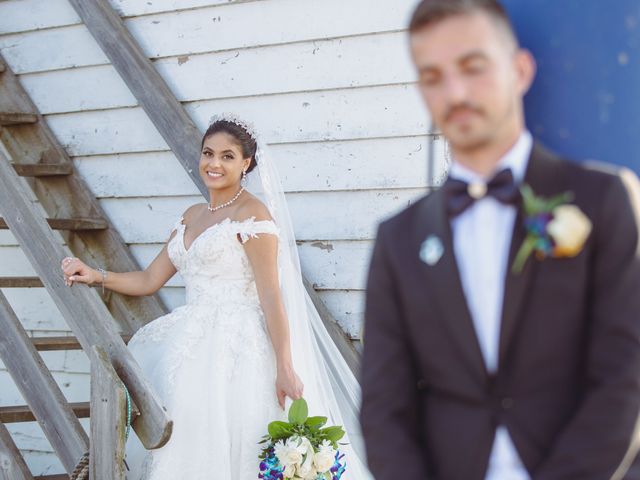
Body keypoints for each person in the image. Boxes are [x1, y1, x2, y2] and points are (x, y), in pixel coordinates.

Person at [360, 1, 640, 479]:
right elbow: (385, 410)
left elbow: (624, 378)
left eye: (473, 68)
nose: (456, 92)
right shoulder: (397, 239)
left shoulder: (602, 200)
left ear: (520, 70)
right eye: (433, 77)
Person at [61, 115, 371, 479]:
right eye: (208, 153)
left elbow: (272, 296)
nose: (214, 164)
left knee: (233, 441)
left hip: (236, 349)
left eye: (227, 156)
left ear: (246, 163)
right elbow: (149, 279)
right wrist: (95, 275)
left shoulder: (252, 215)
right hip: (190, 342)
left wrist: (285, 366)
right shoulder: (192, 215)